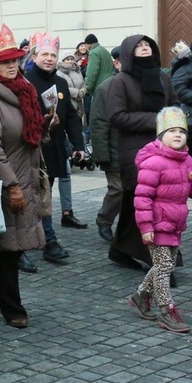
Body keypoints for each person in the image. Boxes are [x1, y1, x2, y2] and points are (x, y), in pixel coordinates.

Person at [0, 24, 53, 328]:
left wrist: (44, 126)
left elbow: (28, 134)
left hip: (28, 171)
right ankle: (12, 307)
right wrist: (11, 185)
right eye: (4, 62)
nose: (11, 66)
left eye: (14, 60)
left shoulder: (25, 88)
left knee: (16, 244)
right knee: (8, 245)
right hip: (8, 176)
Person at [128, 107, 192, 332]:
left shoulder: (186, 161)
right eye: (171, 130)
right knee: (164, 267)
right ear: (160, 135)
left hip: (175, 224)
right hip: (156, 224)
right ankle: (167, 310)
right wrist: (145, 226)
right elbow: (142, 197)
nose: (177, 135)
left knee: (164, 265)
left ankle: (140, 295)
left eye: (181, 131)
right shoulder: (154, 162)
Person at [107, 35, 178, 270]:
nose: (144, 48)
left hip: (164, 148)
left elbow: (174, 105)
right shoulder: (121, 81)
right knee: (148, 203)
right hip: (135, 151)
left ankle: (120, 249)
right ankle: (156, 257)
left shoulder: (162, 77)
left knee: (134, 204)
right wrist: (157, 120)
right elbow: (116, 116)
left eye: (147, 44)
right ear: (129, 53)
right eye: (138, 46)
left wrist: (177, 119)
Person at [25, 32, 87, 264]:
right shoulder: (27, 82)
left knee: (44, 194)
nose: (49, 58)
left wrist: (78, 144)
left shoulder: (60, 82)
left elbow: (71, 116)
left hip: (55, 148)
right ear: (35, 56)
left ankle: (39, 235)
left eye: (53, 54)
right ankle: (47, 239)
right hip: (34, 149)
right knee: (41, 195)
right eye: (45, 54)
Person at [90, 49, 123, 242]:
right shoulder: (106, 88)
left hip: (137, 152)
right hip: (113, 149)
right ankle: (105, 219)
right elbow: (99, 123)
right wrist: (102, 154)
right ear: (117, 63)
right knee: (117, 189)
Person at [57, 52, 87, 122]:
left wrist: (82, 91)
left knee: (79, 121)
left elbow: (83, 83)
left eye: (71, 59)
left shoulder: (77, 71)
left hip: (79, 102)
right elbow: (61, 87)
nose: (70, 61)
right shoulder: (59, 73)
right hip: (69, 102)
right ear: (63, 61)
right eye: (67, 59)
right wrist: (76, 93)